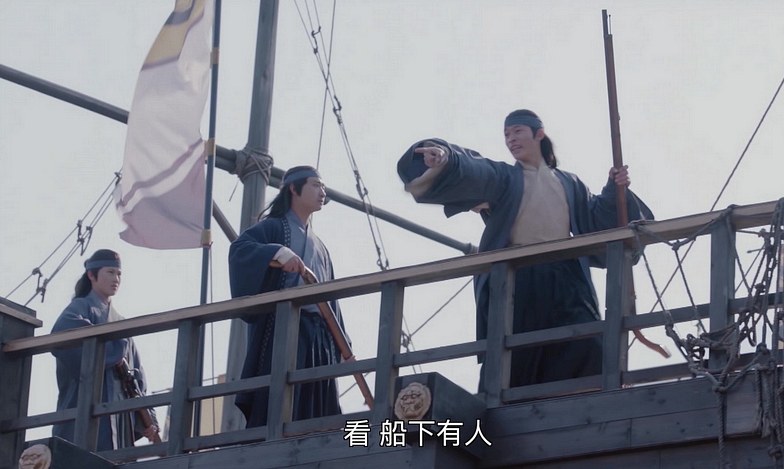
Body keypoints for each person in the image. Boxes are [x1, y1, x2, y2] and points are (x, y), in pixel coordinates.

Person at [397, 109, 654, 389]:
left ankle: (591, 396)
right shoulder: (504, 178)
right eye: (507, 134)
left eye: (517, 131)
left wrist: (614, 188)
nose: (511, 139)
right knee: (515, 353)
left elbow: (596, 218)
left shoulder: (570, 183)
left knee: (588, 343)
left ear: (539, 134)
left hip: (567, 276)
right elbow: (474, 169)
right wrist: (445, 158)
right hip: (520, 275)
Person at [229, 165, 345, 425]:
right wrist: (278, 253)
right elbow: (241, 249)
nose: (322, 192)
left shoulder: (321, 247)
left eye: (323, 187)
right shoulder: (273, 228)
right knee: (281, 404)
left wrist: (342, 344)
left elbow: (332, 300)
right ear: (293, 188)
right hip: (285, 327)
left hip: (320, 336)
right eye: (315, 185)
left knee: (318, 408)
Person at [52, 249, 159, 450]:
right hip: (86, 405)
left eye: (119, 274)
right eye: (110, 272)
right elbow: (63, 332)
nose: (116, 279)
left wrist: (148, 419)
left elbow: (137, 377)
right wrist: (115, 349)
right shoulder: (80, 307)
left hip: (119, 411)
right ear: (92, 275)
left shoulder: (121, 322)